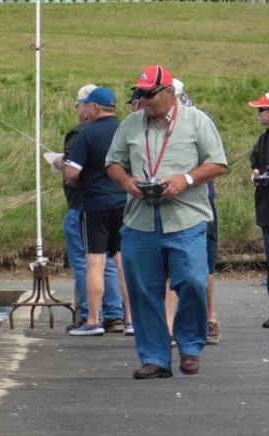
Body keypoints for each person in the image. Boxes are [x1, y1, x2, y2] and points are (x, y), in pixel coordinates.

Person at [106, 65, 228, 379]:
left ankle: (189, 346)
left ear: (169, 93)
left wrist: (186, 179)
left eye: (148, 94)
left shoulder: (197, 121)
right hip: (140, 221)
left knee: (190, 281)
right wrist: (128, 183)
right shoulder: (131, 125)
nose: (141, 99)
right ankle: (156, 358)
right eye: (138, 93)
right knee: (143, 290)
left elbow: (217, 163)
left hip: (186, 218)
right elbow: (113, 164)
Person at [51, 84, 125, 334]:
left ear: (93, 107)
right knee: (119, 261)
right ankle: (126, 318)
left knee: (92, 261)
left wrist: (65, 169)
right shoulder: (126, 130)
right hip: (124, 203)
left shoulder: (85, 133)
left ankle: (92, 319)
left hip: (92, 204)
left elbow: (72, 173)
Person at [162, 79, 222, 345]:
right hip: (194, 200)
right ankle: (207, 320)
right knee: (200, 265)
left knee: (196, 265)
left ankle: (192, 322)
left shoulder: (192, 120)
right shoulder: (192, 116)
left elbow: (216, 161)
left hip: (195, 202)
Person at [248, 92, 269, 328]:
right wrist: (255, 172)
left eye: (262, 109)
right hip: (266, 210)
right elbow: (254, 162)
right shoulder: (263, 140)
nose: (258, 113)